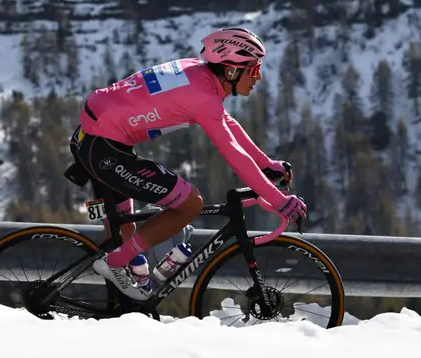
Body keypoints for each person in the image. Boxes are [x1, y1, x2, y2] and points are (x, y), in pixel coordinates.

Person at [63, 26, 307, 301]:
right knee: (190, 203)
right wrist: (279, 201)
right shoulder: (201, 97)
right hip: (105, 148)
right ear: (230, 71)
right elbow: (235, 157)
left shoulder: (198, 74)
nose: (258, 76)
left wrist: (265, 163)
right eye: (253, 69)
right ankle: (115, 263)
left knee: (124, 238)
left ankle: (122, 305)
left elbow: (227, 123)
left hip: (95, 137)